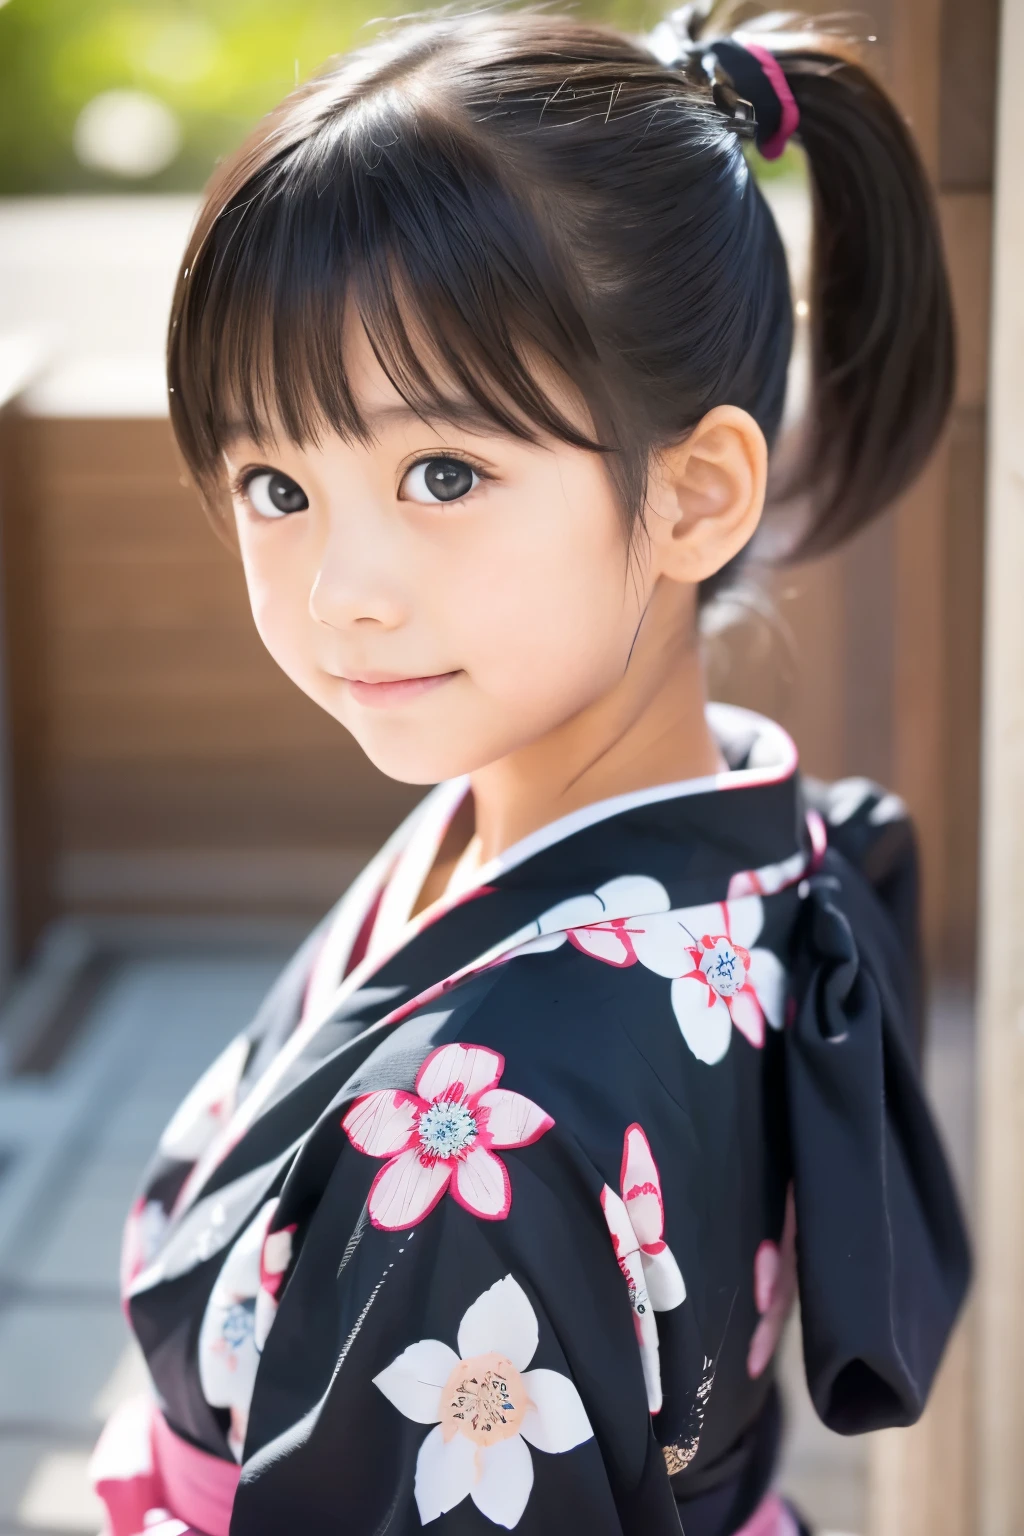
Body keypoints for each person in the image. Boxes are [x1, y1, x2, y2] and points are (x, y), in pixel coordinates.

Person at [89, 6, 970, 1534]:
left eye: (444, 474)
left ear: (695, 496)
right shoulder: (726, 829)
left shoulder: (476, 1119)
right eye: (277, 482)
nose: (340, 589)